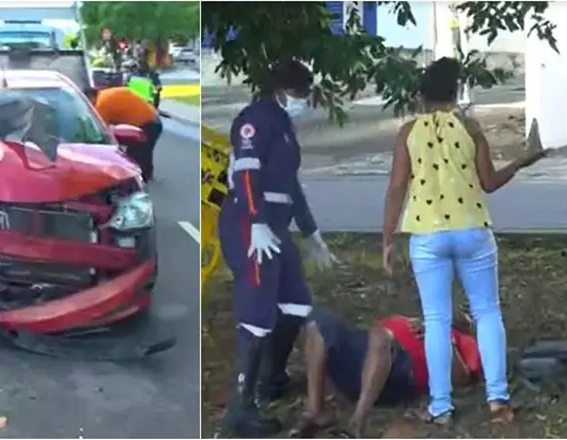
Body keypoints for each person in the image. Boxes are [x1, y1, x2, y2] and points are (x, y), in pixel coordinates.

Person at [381, 57, 547, 424]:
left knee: (436, 319)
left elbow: (396, 188)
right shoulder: (470, 129)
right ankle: (498, 399)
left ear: (421, 96)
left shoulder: (408, 133)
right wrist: (521, 161)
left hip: (426, 234)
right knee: (487, 311)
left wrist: (387, 239)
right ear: (455, 93)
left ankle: (441, 407)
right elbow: (488, 182)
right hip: (473, 229)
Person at [217, 60, 338, 438]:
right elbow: (246, 173)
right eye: (302, 94)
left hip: (276, 227)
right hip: (250, 225)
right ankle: (240, 408)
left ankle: (271, 377)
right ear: (284, 90)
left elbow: (290, 185)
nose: (305, 101)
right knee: (256, 312)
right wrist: (255, 223)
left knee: (296, 303)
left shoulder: (283, 125)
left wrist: (311, 233)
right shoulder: (256, 120)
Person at [292, 307, 482, 438]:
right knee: (318, 322)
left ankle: (358, 420)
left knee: (381, 338)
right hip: (362, 354)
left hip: (400, 368)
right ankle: (317, 410)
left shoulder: (462, 341)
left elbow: (461, 379)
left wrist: (440, 336)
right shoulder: (410, 320)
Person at [84, 86, 163, 182]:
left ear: (90, 97)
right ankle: (146, 176)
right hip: (154, 119)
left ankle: (139, 182)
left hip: (145, 125)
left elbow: (100, 132)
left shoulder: (101, 105)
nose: (88, 107)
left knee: (135, 155)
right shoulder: (106, 94)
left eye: (87, 103)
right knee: (144, 152)